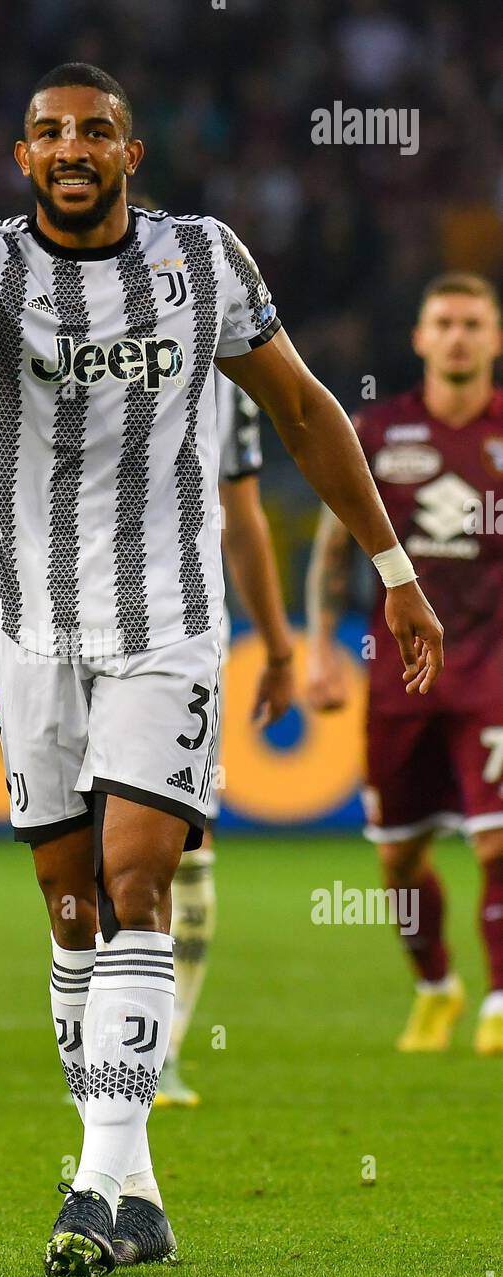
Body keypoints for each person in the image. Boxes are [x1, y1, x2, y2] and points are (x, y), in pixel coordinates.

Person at [0, 62, 443, 1277]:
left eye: (93, 132)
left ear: (129, 153)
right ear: (20, 158)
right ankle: (132, 1183)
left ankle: (94, 1182)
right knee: (68, 912)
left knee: (134, 879)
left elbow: (308, 412)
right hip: (31, 635)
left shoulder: (206, 262)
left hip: (166, 626)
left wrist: (393, 566)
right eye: (48, 133)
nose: (70, 148)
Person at [307, 272, 503, 1056]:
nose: (457, 336)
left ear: (494, 339)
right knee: (398, 856)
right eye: (443, 324)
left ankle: (500, 1004)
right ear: (421, 338)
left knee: (495, 841)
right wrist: (318, 648)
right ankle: (436, 988)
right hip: (400, 677)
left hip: (493, 668)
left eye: (472, 324)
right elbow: (332, 548)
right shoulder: (377, 432)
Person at [160, 373, 294, 1106]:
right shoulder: (58, 317)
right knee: (77, 860)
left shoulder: (227, 370)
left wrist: (277, 645)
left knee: (180, 847)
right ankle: (95, 1047)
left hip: (180, 637)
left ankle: (161, 1049)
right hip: (56, 631)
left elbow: (240, 517)